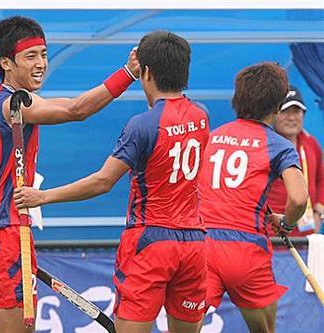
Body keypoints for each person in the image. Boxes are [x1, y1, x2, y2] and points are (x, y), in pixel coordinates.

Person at [14, 31, 209, 333]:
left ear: (146, 73)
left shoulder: (142, 125)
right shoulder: (202, 115)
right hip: (194, 243)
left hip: (151, 241)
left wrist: (43, 197)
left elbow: (103, 181)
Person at [0, 16, 139, 332]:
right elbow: (76, 110)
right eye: (31, 56)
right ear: (6, 62)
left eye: (44, 54)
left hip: (0, 232)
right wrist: (127, 74)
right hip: (1, 235)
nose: (41, 63)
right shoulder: (14, 104)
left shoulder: (2, 106)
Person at [197, 63, 308, 333]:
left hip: (201, 246)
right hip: (245, 251)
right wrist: (288, 223)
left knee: (185, 328)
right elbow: (298, 199)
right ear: (278, 105)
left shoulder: (212, 136)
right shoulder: (280, 145)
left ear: (238, 99)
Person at [267, 85, 324, 235]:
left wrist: (319, 213)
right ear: (273, 114)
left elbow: (321, 179)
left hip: (308, 238)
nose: (292, 118)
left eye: (296, 111)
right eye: (285, 111)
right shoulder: (264, 146)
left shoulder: (311, 143)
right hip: (273, 238)